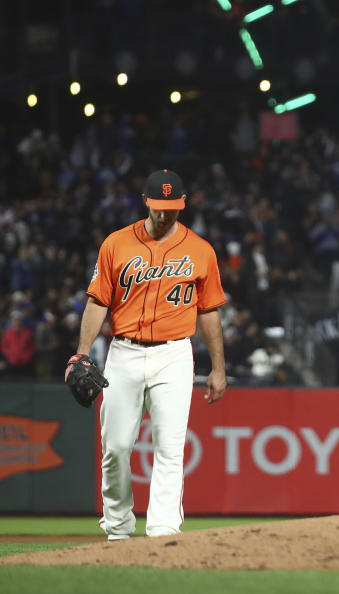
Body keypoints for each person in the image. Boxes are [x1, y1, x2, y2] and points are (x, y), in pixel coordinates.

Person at [70, 169, 227, 541]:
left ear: (183, 204)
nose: (164, 214)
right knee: (116, 447)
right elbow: (97, 302)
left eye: (171, 208)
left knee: (170, 448)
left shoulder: (201, 250)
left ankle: (163, 529)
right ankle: (119, 526)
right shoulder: (116, 244)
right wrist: (80, 353)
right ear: (145, 202)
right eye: (158, 207)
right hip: (123, 351)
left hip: (174, 354)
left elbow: (209, 311)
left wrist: (218, 367)